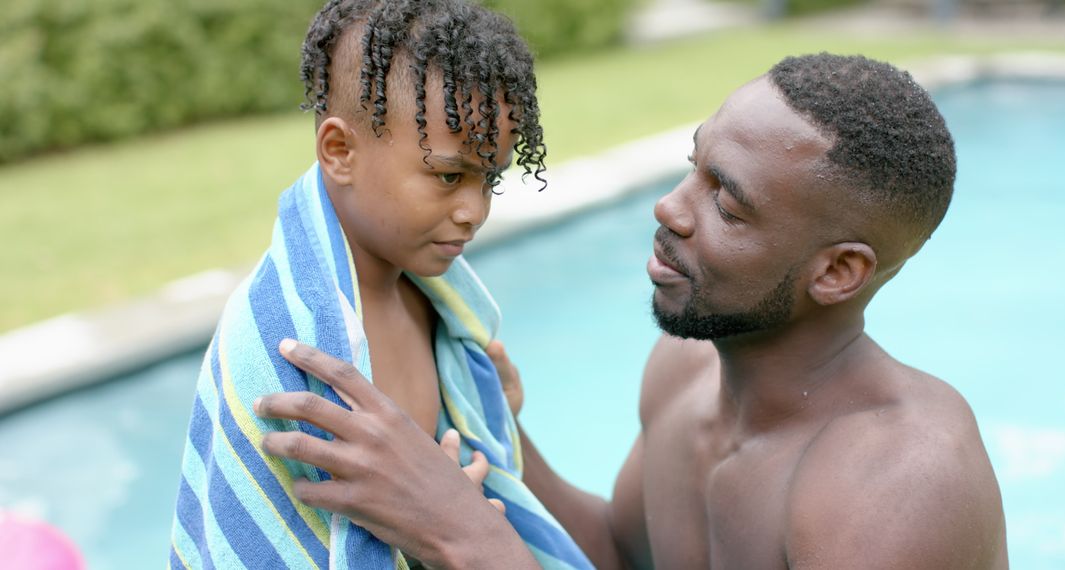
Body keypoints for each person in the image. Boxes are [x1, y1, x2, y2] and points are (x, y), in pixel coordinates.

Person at [253, 53, 1009, 569]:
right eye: (694, 167)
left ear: (838, 271)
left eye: (727, 202)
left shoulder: (904, 482)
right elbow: (618, 555)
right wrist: (494, 431)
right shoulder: (685, 372)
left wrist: (466, 537)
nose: (671, 209)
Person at [169, 0, 592, 568]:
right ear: (340, 151)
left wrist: (462, 511)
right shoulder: (286, 342)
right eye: (448, 175)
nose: (474, 210)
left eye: (490, 177)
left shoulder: (432, 304)